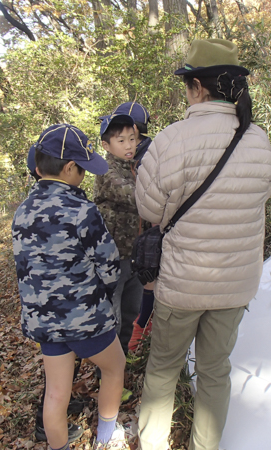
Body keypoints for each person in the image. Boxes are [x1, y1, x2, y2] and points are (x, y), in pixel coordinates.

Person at [134, 39, 271, 450]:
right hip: (235, 284)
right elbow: (261, 194)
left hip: (182, 283)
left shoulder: (169, 140)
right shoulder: (257, 139)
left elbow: (150, 207)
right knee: (215, 370)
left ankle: (153, 444)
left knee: (163, 368)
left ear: (197, 87)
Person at [12, 124, 128, 450]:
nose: (84, 176)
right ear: (68, 168)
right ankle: (107, 434)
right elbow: (109, 264)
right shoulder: (82, 210)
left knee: (56, 392)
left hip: (44, 322)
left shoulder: (22, 212)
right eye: (82, 169)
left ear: (37, 168)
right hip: (86, 317)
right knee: (115, 366)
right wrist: (100, 297)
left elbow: (26, 268)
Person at [25, 143, 87, 444]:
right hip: (69, 308)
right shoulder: (74, 207)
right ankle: (47, 424)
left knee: (58, 381)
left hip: (41, 310)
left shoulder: (25, 210)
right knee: (57, 384)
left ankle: (53, 423)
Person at [93, 102, 154, 355]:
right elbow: (136, 196)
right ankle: (107, 375)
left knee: (132, 313)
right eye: (121, 141)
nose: (129, 145)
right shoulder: (107, 170)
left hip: (136, 257)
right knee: (112, 318)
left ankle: (123, 364)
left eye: (132, 139)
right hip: (114, 259)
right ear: (107, 146)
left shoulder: (136, 168)